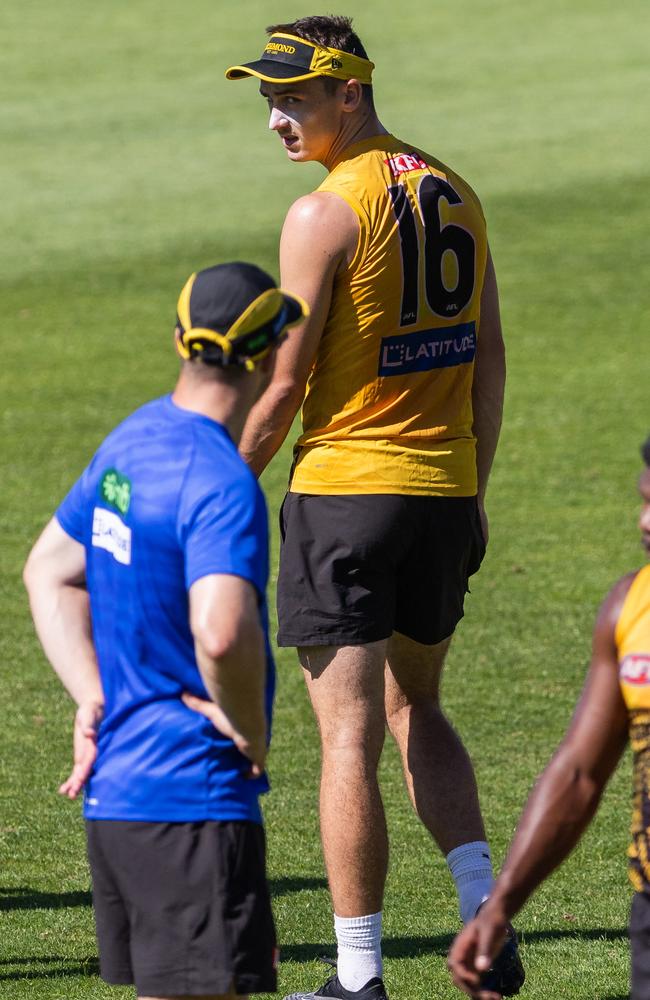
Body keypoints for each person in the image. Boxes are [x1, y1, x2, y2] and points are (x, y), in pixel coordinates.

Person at [225, 16, 523, 1000]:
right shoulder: (455, 190)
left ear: (349, 92)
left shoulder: (322, 213)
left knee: (347, 737)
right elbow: (486, 355)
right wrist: (470, 487)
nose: (275, 118)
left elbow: (283, 385)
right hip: (440, 495)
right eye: (268, 98)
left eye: (294, 98)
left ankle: (357, 978)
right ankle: (484, 915)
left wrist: (222, 485)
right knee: (419, 703)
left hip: (345, 500)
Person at [23, 263, 308, 1000]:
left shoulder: (129, 443)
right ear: (273, 353)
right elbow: (219, 632)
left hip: (117, 801)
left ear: (179, 340)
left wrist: (92, 696)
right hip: (194, 797)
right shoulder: (220, 481)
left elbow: (47, 571)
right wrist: (248, 730)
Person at [448, 437, 650, 1000]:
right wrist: (501, 904)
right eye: (644, 499)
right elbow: (578, 774)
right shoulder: (629, 608)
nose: (646, 520)